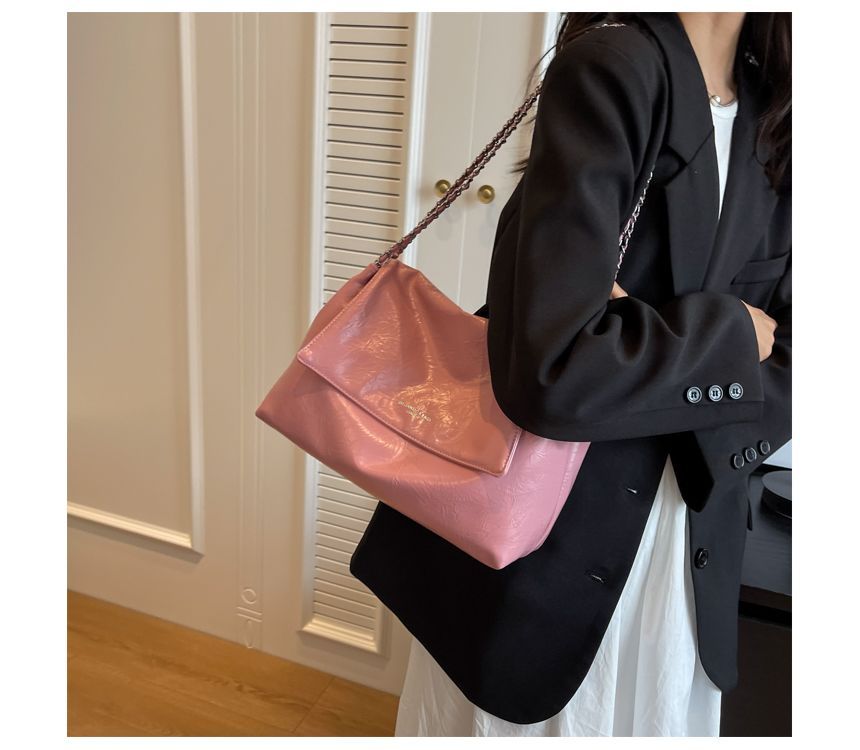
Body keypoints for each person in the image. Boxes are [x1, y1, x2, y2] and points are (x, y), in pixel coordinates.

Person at [349, 10, 791, 737]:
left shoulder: (784, 103)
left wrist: (632, 338)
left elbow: (801, 363)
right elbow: (554, 371)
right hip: (545, 538)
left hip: (685, 545)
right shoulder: (615, 65)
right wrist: (731, 337)